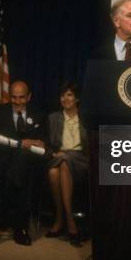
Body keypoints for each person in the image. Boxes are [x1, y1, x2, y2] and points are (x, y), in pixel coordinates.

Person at [0, 80, 48, 246]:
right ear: (9, 96)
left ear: (29, 97)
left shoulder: (39, 115)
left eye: (21, 97)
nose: (17, 102)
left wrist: (40, 142)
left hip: (32, 163)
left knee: (24, 165)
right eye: (13, 97)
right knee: (22, 171)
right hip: (4, 161)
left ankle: (6, 211)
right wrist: (21, 143)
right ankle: (20, 227)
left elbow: (46, 141)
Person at [45, 82, 88, 247]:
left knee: (65, 161)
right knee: (54, 172)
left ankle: (61, 219)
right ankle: (69, 222)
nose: (65, 98)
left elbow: (91, 145)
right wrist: (54, 153)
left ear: (77, 98)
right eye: (62, 95)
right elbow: (47, 143)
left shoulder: (86, 117)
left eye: (69, 95)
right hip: (59, 157)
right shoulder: (53, 118)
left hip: (81, 160)